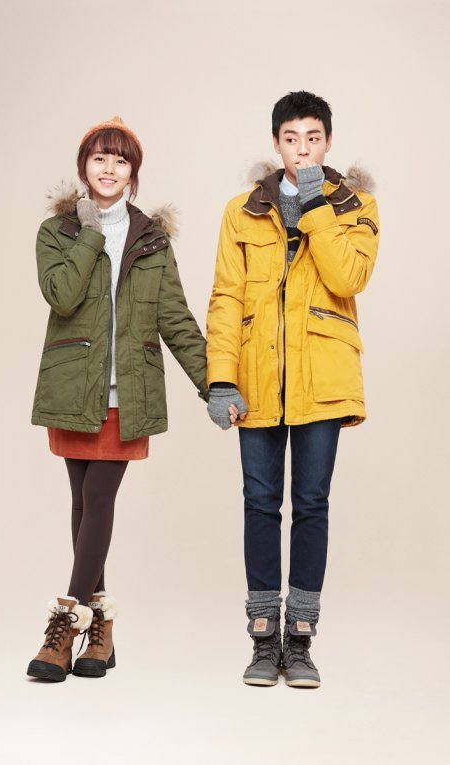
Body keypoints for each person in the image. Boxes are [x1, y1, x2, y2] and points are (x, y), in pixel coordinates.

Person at [206, 91, 380, 688]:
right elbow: (226, 296)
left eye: (312, 138)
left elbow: (348, 276)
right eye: (290, 138)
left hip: (322, 380)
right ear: (275, 143)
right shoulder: (241, 211)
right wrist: (221, 377)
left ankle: (300, 640)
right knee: (260, 503)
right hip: (256, 379)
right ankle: (263, 639)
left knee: (310, 504)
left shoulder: (356, 206)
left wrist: (315, 205)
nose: (302, 149)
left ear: (328, 141)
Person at [28, 116, 209, 682]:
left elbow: (174, 318)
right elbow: (61, 295)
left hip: (126, 391)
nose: (109, 168)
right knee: (82, 503)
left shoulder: (151, 238)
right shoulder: (56, 232)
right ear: (84, 167)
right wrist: (89, 232)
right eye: (100, 158)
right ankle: (102, 632)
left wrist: (214, 383)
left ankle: (65, 625)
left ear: (134, 173)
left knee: (98, 496)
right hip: (73, 385)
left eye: (121, 160)